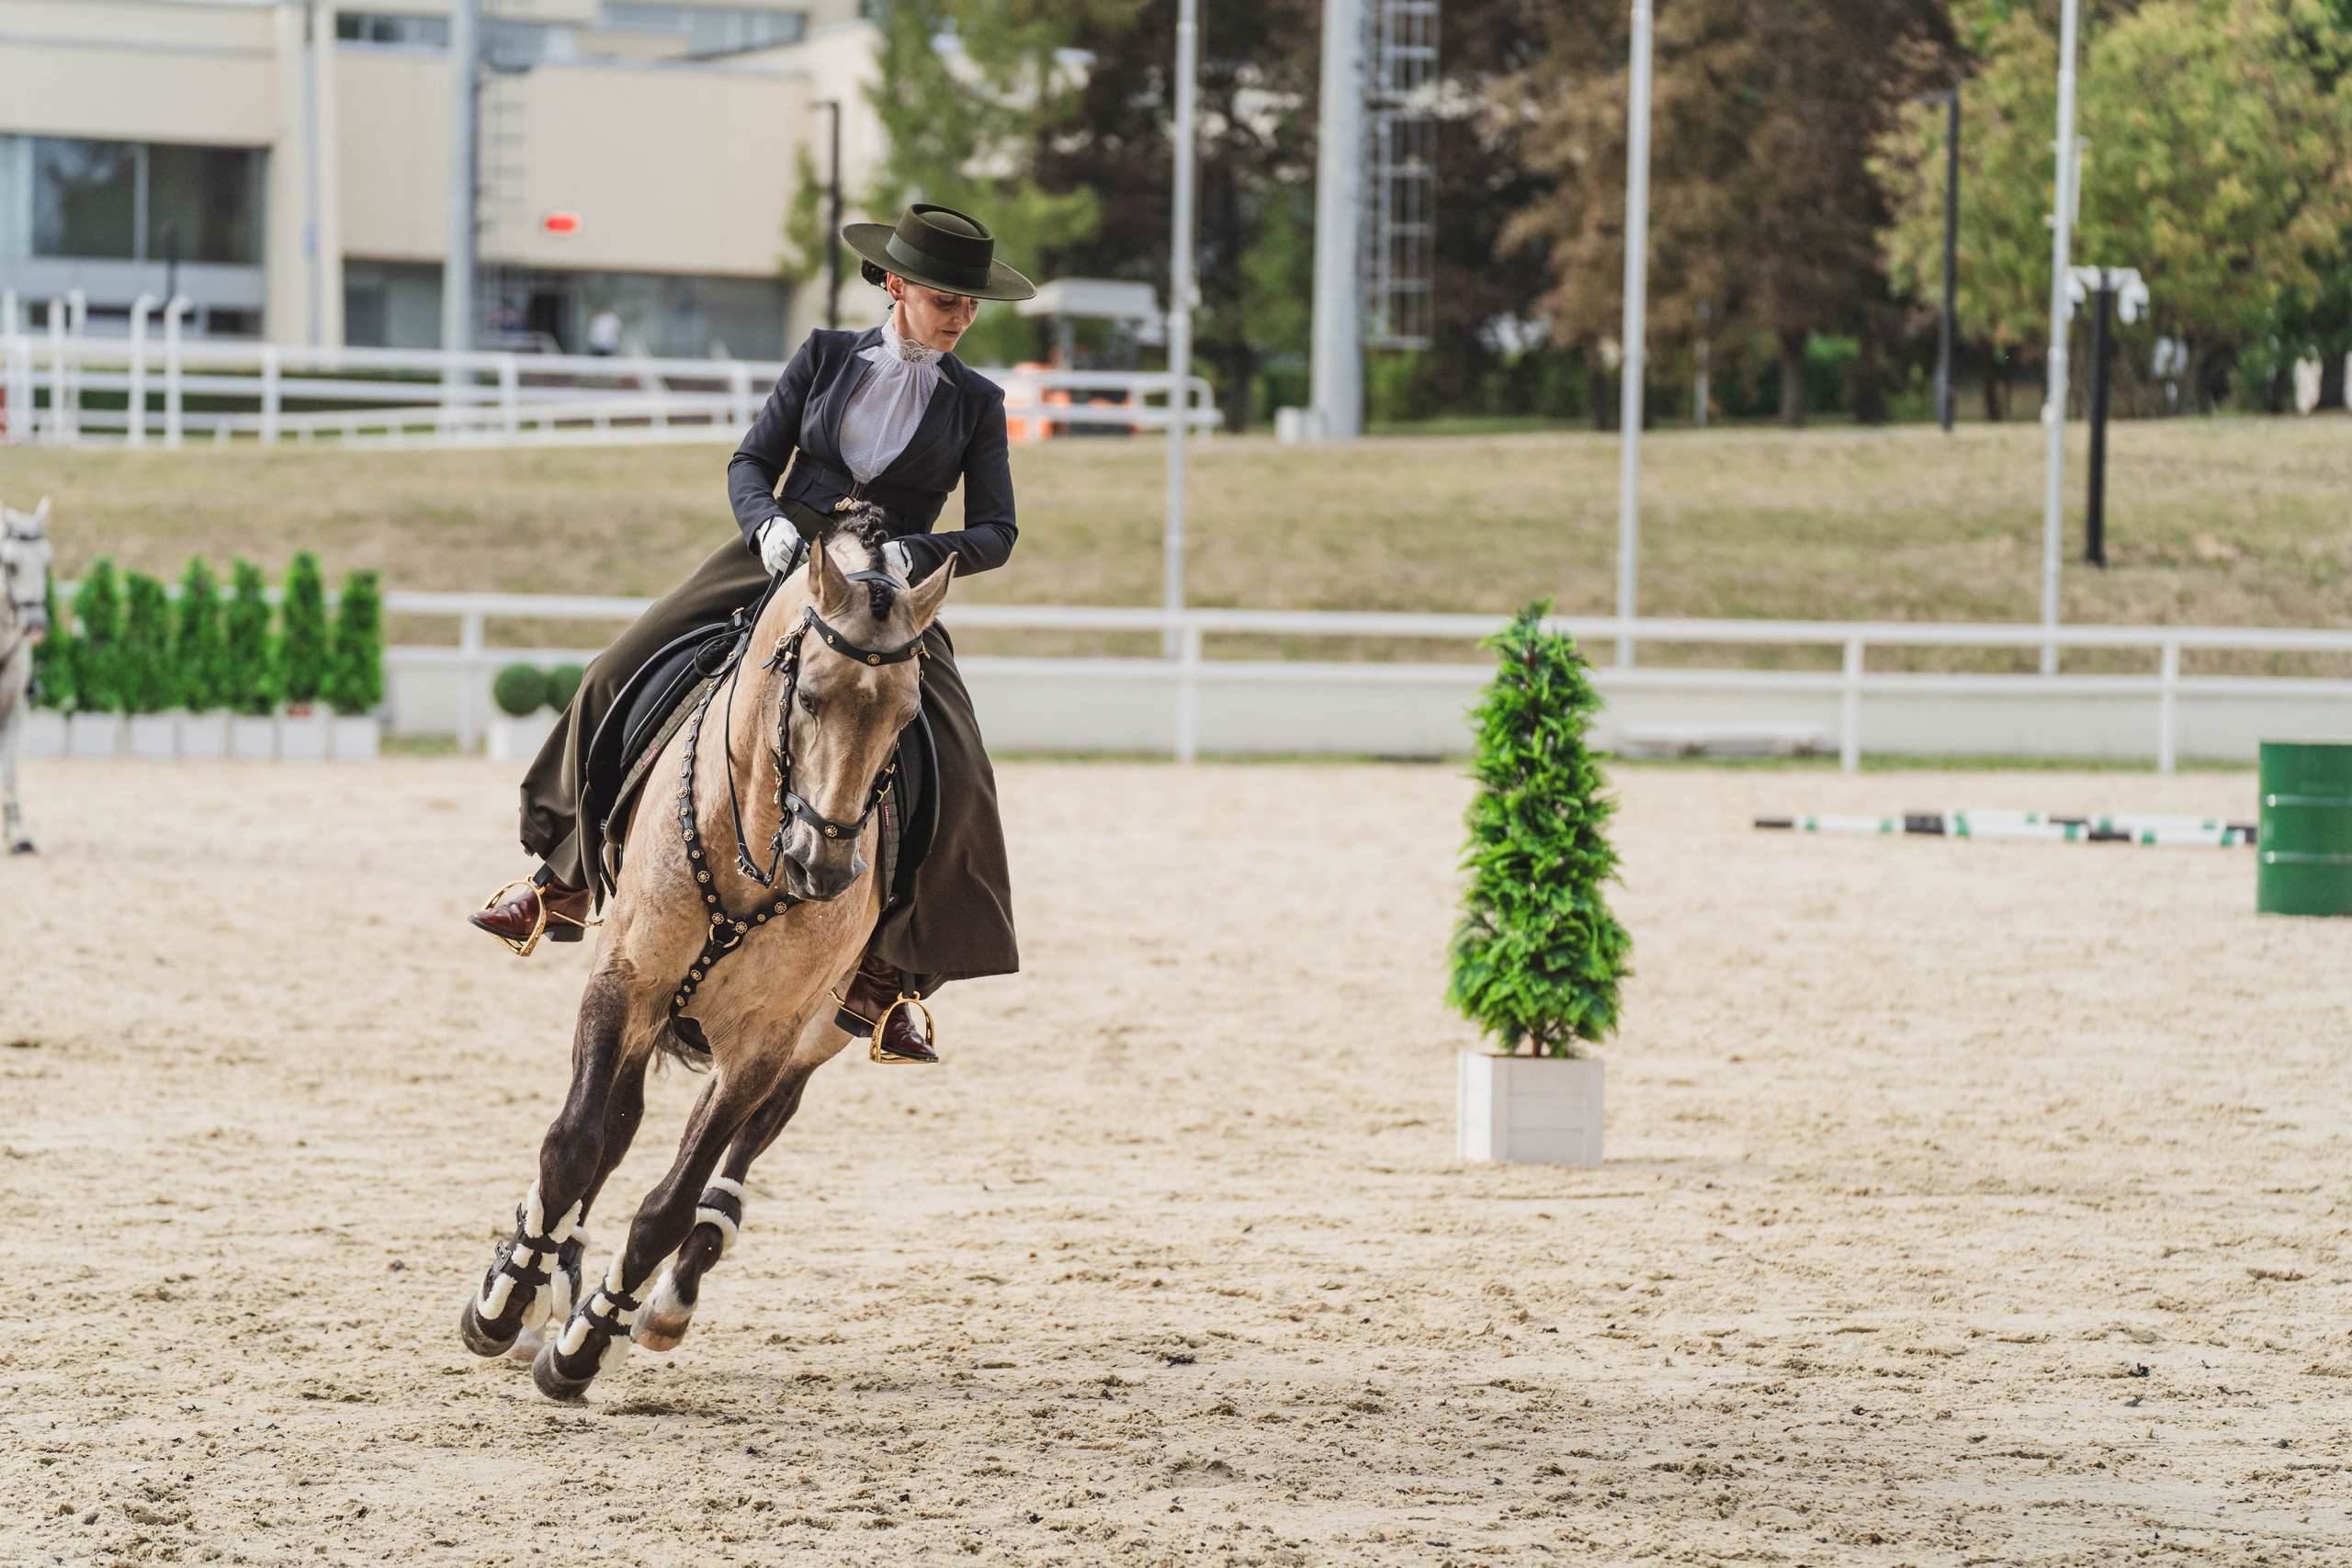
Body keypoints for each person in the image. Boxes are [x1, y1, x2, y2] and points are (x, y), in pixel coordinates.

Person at [471, 204, 1036, 1066]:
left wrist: (912, 553)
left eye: (969, 304)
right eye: (944, 299)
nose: (960, 317)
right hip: (785, 552)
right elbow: (749, 460)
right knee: (613, 670)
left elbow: (997, 530)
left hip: (882, 591)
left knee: (960, 760)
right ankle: (563, 880)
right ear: (895, 284)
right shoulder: (824, 355)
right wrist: (766, 522)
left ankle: (889, 974)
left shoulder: (978, 402)